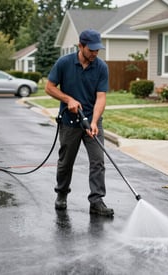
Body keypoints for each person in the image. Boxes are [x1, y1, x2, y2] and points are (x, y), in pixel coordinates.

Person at [45, 29, 113, 216]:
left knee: (98, 161)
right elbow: (49, 88)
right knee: (66, 162)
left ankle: (96, 201)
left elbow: (101, 97)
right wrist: (68, 100)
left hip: (92, 121)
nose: (95, 53)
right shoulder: (64, 63)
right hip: (69, 122)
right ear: (80, 46)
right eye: (91, 50)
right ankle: (61, 194)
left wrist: (94, 121)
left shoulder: (101, 67)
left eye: (97, 50)